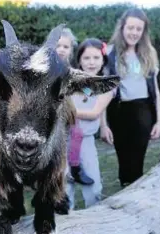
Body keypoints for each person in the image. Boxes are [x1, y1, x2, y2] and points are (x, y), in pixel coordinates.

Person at [103, 8, 160, 187]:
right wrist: (104, 124)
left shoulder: (149, 53)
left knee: (138, 160)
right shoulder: (110, 53)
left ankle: (136, 196)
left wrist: (159, 121)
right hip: (118, 111)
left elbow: (156, 90)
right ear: (122, 28)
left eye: (139, 29)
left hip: (143, 111)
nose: (134, 32)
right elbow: (101, 90)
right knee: (124, 160)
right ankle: (125, 191)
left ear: (143, 31)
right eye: (130, 28)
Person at [66, 38, 114, 209]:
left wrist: (65, 113)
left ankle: (94, 220)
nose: (91, 62)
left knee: (93, 189)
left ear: (103, 60)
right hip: (63, 140)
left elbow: (95, 112)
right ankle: (65, 225)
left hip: (86, 141)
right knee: (64, 190)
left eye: (96, 58)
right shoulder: (71, 80)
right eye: (86, 58)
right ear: (79, 60)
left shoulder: (106, 86)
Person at [56, 28, 94, 185]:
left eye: (66, 47)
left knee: (77, 133)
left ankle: (75, 168)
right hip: (50, 112)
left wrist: (88, 91)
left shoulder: (70, 71)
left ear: (71, 50)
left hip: (68, 111)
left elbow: (81, 86)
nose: (61, 50)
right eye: (58, 46)